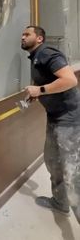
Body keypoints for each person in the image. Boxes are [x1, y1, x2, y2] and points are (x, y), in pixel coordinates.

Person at [21, 25, 80, 219]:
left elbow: (70, 80)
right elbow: (51, 82)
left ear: (39, 39)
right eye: (22, 34)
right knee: (52, 160)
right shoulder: (36, 58)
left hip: (69, 119)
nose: (22, 37)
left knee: (72, 171)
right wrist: (38, 93)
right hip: (54, 117)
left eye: (27, 34)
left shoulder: (46, 52)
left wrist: (41, 90)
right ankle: (60, 202)